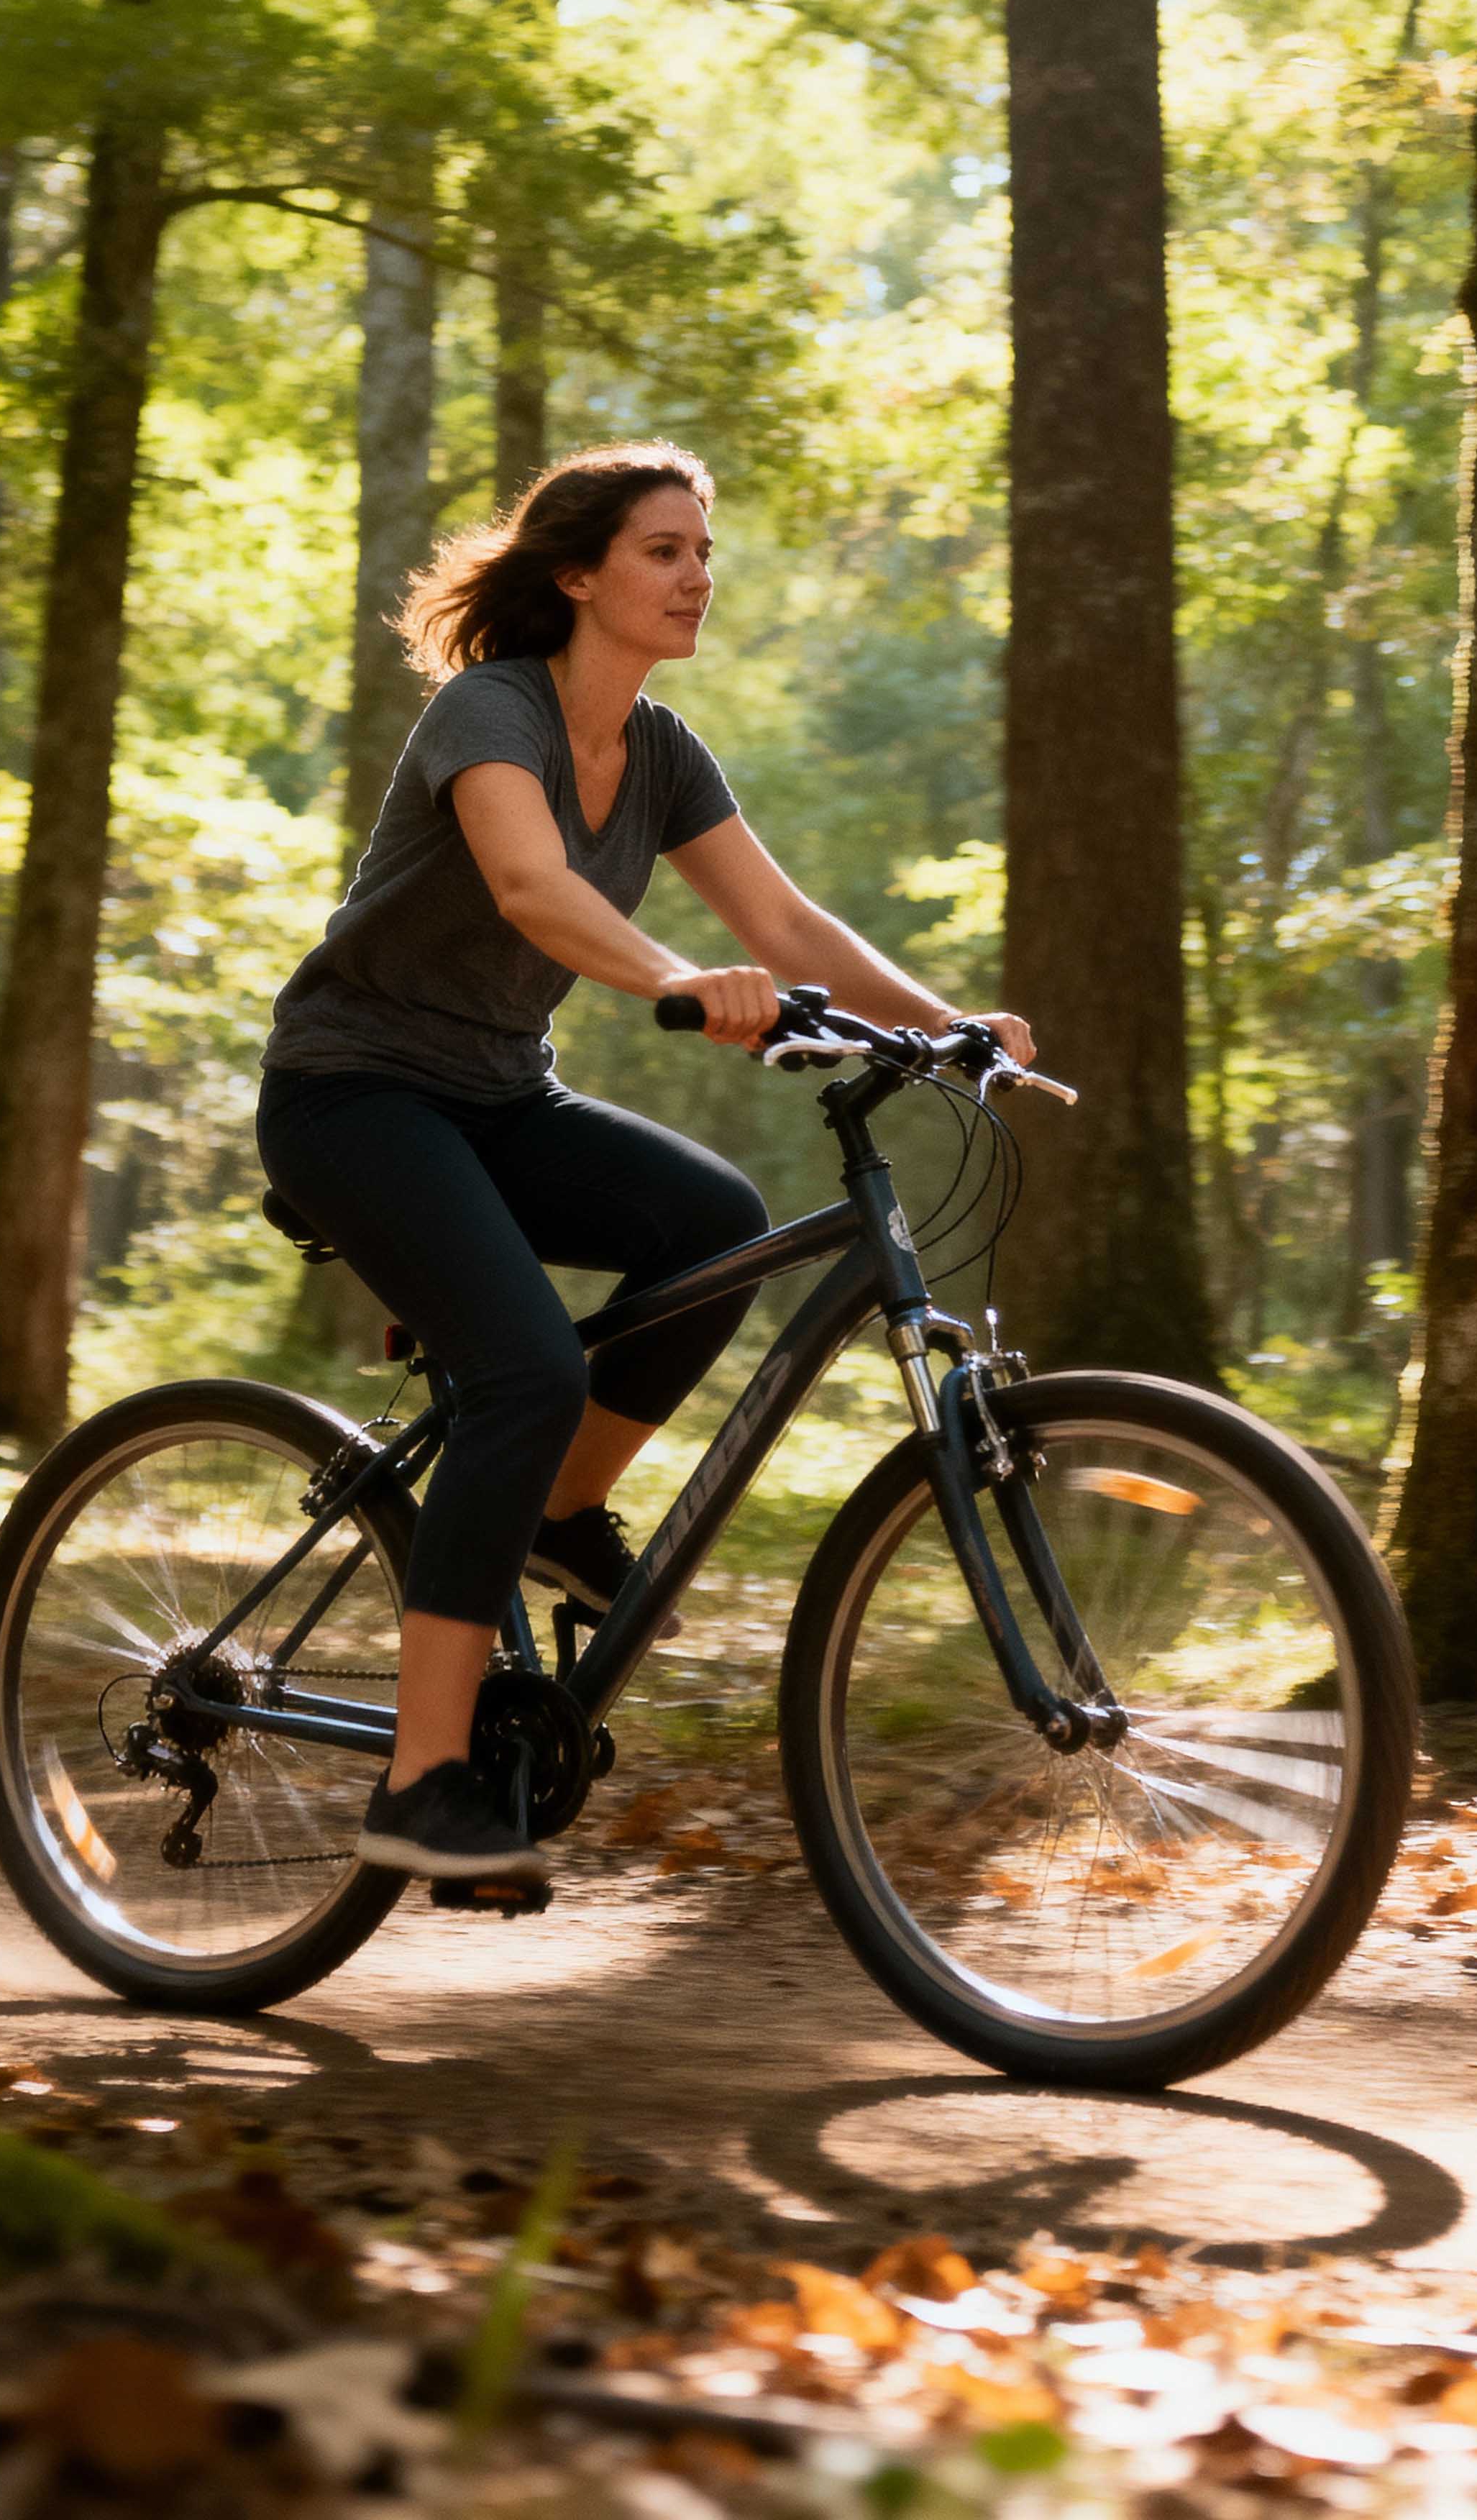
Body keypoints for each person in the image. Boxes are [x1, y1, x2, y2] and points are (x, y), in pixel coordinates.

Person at [259, 441, 1031, 1898]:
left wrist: (949, 1025)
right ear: (578, 574)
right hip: (351, 1096)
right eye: (663, 551)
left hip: (492, 1096)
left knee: (711, 1221)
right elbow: (527, 884)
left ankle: (552, 1513)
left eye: (703, 551)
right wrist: (682, 977)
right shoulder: (490, 711)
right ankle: (422, 1782)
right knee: (528, 1370)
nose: (695, 577)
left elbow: (786, 920)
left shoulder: (662, 749)